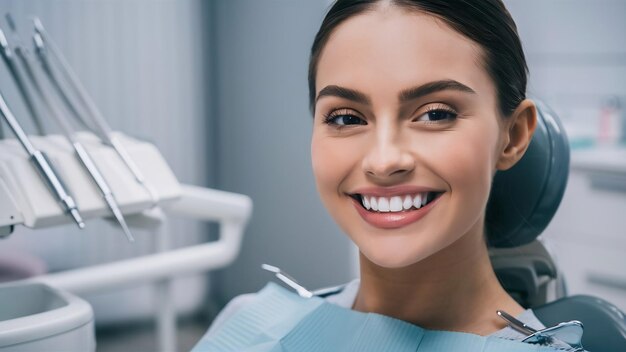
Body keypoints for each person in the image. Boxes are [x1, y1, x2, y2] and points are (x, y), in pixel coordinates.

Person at [203, 0, 577, 349]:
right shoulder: (247, 321)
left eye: (435, 113)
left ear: (512, 136)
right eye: (347, 118)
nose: (383, 161)